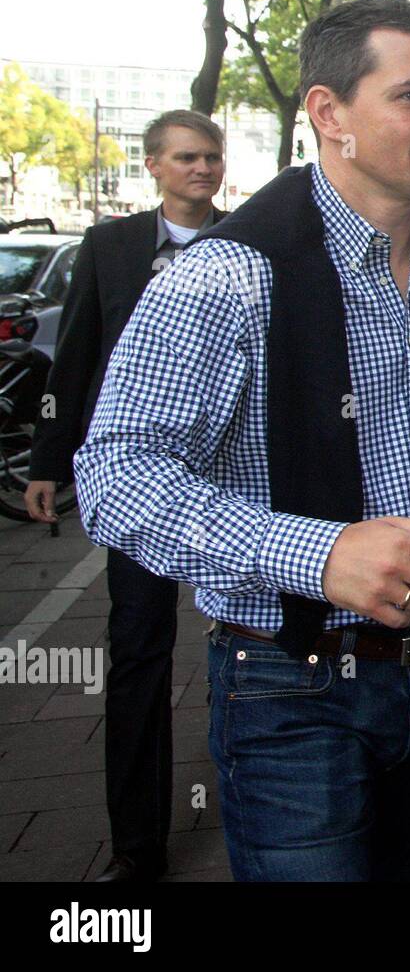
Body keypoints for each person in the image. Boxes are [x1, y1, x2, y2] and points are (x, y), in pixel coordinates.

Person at [74, 0, 410, 881]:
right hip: (292, 683)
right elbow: (116, 473)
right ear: (329, 114)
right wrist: (317, 555)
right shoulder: (230, 273)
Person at [26, 109, 227, 883]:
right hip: (138, 481)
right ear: (153, 165)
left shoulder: (245, 241)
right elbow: (72, 357)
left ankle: (265, 793)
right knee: (138, 649)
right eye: (186, 158)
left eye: (211, 157)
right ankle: (136, 845)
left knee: (254, 641)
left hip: (227, 478)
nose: (202, 169)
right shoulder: (109, 247)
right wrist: (51, 461)